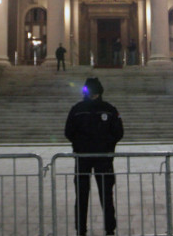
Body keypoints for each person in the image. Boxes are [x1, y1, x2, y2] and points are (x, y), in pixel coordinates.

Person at [65, 77, 124, 236]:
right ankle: (108, 229)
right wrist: (107, 145)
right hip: (99, 158)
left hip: (89, 157)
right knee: (101, 196)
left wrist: (80, 144)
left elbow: (69, 132)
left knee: (90, 196)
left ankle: (83, 230)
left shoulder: (78, 109)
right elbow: (118, 132)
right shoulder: (108, 109)